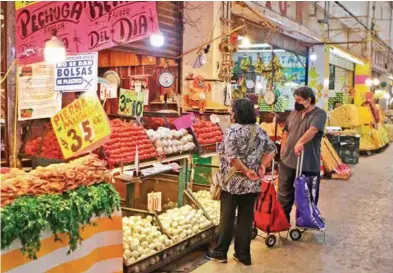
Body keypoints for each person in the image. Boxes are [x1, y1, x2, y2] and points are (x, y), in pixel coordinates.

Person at [206, 98, 276, 266]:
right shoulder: (260, 131)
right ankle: (243, 255)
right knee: (246, 218)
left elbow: (232, 157)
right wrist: (262, 166)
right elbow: (272, 150)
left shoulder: (233, 131)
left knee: (227, 217)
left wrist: (246, 171)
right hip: (252, 183)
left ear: (236, 113)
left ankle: (220, 252)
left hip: (232, 182)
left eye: (232, 110)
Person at [279, 86, 327, 221]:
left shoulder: (320, 114)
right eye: (295, 99)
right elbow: (286, 131)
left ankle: (306, 221)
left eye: (299, 100)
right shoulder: (294, 113)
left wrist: (300, 142)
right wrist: (283, 147)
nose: (296, 102)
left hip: (307, 162)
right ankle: (283, 220)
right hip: (287, 160)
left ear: (308, 100)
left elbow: (313, 130)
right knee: (284, 193)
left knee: (307, 194)